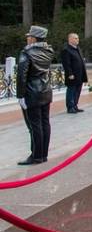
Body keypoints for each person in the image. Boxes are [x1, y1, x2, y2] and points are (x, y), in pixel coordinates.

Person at [16, 25, 54, 165]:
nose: (27, 39)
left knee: (34, 125)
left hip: (32, 92)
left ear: (33, 38)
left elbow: (22, 76)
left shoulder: (27, 53)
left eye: (29, 37)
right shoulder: (48, 51)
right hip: (45, 90)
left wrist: (20, 95)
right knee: (45, 123)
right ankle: (43, 154)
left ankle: (36, 156)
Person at [60, 33, 88, 114]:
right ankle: (70, 107)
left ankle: (75, 106)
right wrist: (70, 74)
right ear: (70, 39)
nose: (77, 40)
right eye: (75, 38)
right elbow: (66, 64)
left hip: (80, 74)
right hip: (72, 75)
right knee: (71, 91)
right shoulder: (66, 50)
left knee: (78, 91)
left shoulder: (78, 48)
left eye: (78, 38)